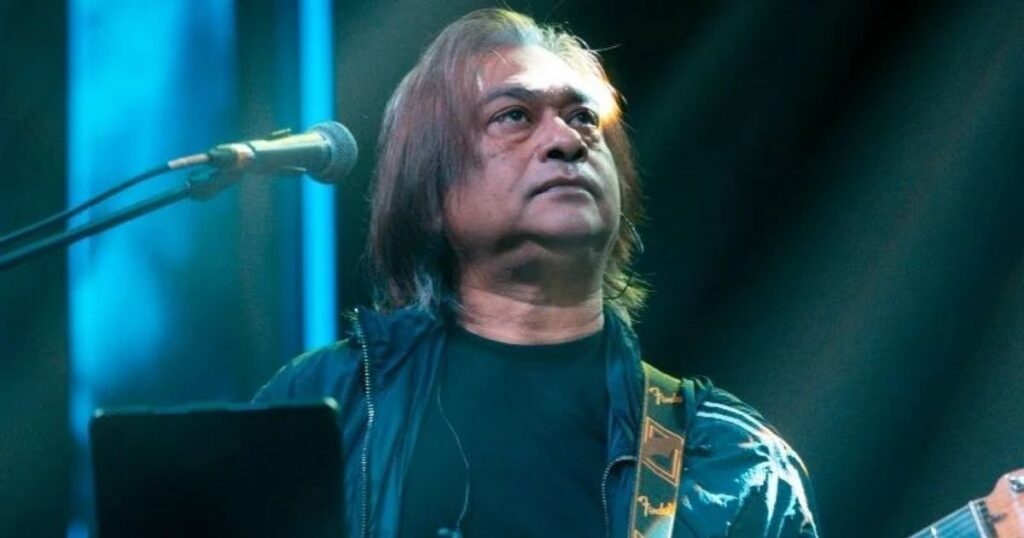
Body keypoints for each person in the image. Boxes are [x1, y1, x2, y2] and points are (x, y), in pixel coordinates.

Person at [255, 8, 819, 538]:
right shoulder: (321, 405)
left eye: (584, 119)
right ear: (429, 190)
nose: (566, 140)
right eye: (515, 117)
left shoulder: (729, 462)